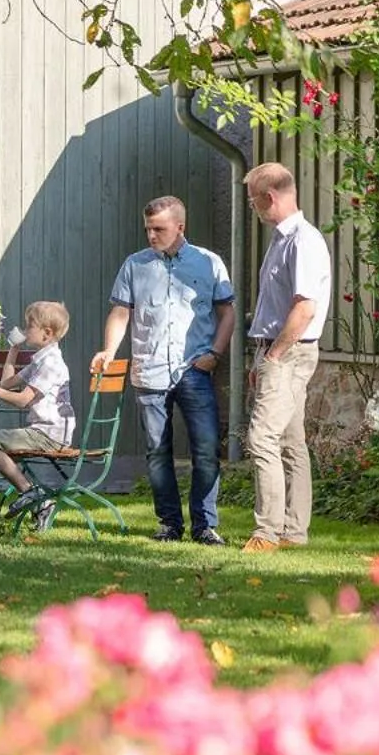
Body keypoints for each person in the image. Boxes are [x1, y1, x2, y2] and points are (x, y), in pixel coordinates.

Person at [90, 195, 237, 545]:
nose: (151, 235)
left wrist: (215, 354)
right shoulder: (135, 265)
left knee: (206, 449)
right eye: (148, 229)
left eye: (159, 229)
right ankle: (170, 524)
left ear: (180, 227)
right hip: (150, 370)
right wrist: (109, 350)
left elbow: (227, 313)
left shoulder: (209, 263)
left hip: (194, 369)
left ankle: (205, 526)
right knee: (157, 451)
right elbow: (120, 313)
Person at [242, 162, 332, 553]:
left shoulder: (303, 241)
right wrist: (259, 358)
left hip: (289, 352)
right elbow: (275, 306)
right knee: (291, 441)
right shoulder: (282, 239)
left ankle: (267, 533)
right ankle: (294, 532)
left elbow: (304, 308)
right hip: (276, 349)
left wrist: (274, 356)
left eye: (253, 201)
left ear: (270, 197)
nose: (252, 208)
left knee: (262, 437)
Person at [0, 301, 76, 532]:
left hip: (49, 434)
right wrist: (14, 349)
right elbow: (6, 383)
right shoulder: (40, 359)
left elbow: (22, 400)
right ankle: (37, 501)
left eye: (30, 325)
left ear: (46, 333)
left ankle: (31, 493)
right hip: (44, 431)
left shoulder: (51, 363)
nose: (25, 329)